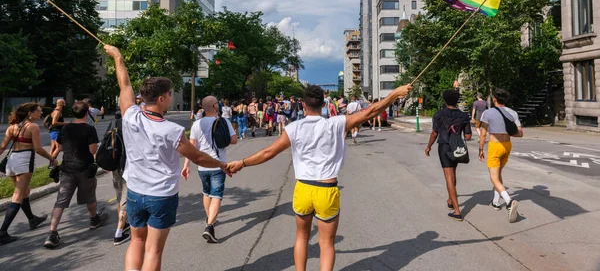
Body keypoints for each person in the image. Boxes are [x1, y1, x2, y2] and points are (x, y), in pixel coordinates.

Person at [227, 83, 412, 271]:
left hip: (304, 189)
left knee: (301, 237)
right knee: (326, 243)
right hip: (327, 189)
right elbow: (371, 111)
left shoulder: (294, 128)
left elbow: (268, 153)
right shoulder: (336, 123)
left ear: (304, 106)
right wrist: (395, 94)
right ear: (324, 105)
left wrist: (241, 163)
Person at [103, 45, 232, 271]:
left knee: (136, 241)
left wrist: (117, 57)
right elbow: (199, 158)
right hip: (161, 195)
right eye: (171, 93)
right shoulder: (172, 130)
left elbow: (124, 84)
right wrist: (222, 164)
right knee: (153, 250)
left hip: (134, 191)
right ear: (162, 99)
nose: (172, 97)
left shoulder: (130, 116)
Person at [44, 101, 108, 249]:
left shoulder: (66, 128)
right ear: (87, 113)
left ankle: (52, 233)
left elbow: (59, 146)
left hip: (67, 168)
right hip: (84, 168)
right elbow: (92, 151)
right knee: (89, 195)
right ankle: (93, 219)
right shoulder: (89, 129)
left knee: (61, 201)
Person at [181, 96, 238, 243]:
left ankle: (209, 218)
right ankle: (210, 226)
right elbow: (234, 140)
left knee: (206, 193)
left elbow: (191, 147)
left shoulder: (197, 124)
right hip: (219, 165)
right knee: (217, 195)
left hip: (202, 166)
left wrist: (186, 165)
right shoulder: (223, 121)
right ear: (214, 106)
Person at [0, 103, 53, 244]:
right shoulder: (33, 127)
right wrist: (51, 158)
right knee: (18, 196)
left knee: (25, 192)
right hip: (24, 161)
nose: (40, 114)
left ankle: (32, 219)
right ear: (30, 113)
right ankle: (2, 232)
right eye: (38, 112)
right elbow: (38, 149)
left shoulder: (12, 127)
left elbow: (2, 147)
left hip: (11, 162)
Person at [425, 90, 472, 222]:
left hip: (444, 146)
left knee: (449, 177)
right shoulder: (463, 116)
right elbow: (468, 136)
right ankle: (451, 200)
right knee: (453, 174)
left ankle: (457, 211)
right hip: (457, 146)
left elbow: (434, 133)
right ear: (457, 100)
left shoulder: (439, 114)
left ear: (444, 100)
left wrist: (429, 146)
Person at [479, 88, 523, 223]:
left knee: (493, 177)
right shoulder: (512, 113)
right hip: (507, 146)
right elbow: (520, 133)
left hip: (495, 146)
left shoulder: (488, 113)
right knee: (498, 174)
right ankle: (496, 202)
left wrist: (481, 148)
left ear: (494, 99)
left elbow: (483, 133)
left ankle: (509, 202)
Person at [110, 111, 130, 246]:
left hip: (114, 164)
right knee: (125, 198)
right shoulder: (131, 124)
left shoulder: (114, 123)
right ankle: (119, 232)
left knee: (118, 195)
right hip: (128, 164)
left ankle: (123, 224)